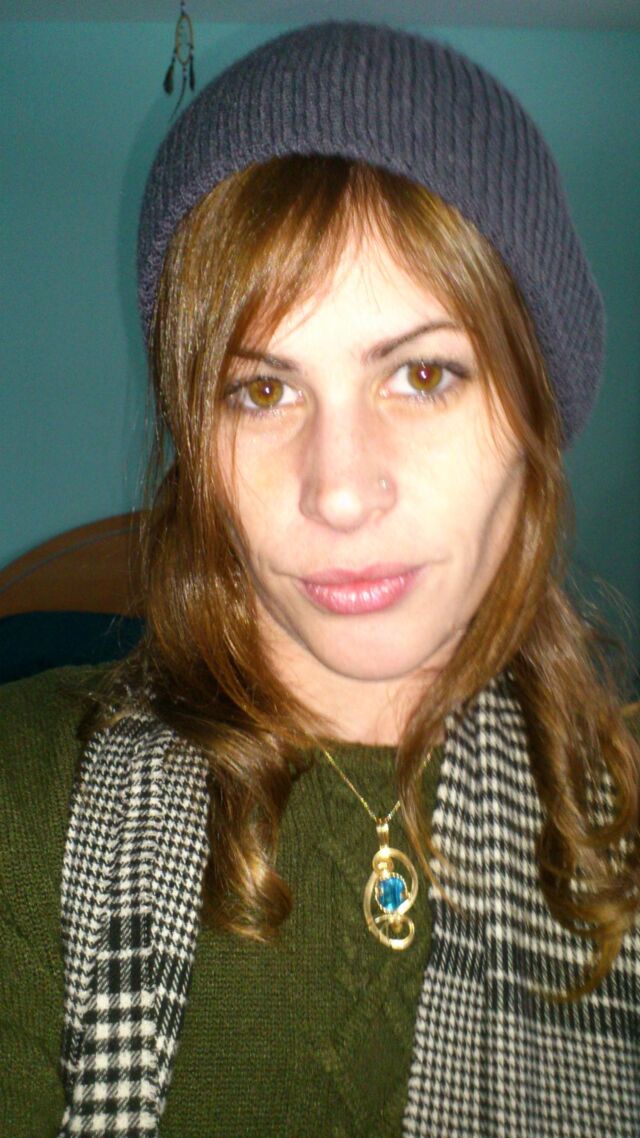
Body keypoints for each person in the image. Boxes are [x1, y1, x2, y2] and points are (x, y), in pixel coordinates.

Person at [1, 20, 638, 1138]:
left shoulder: (618, 832)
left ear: (534, 411)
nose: (339, 491)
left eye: (423, 375)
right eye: (263, 391)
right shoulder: (25, 803)